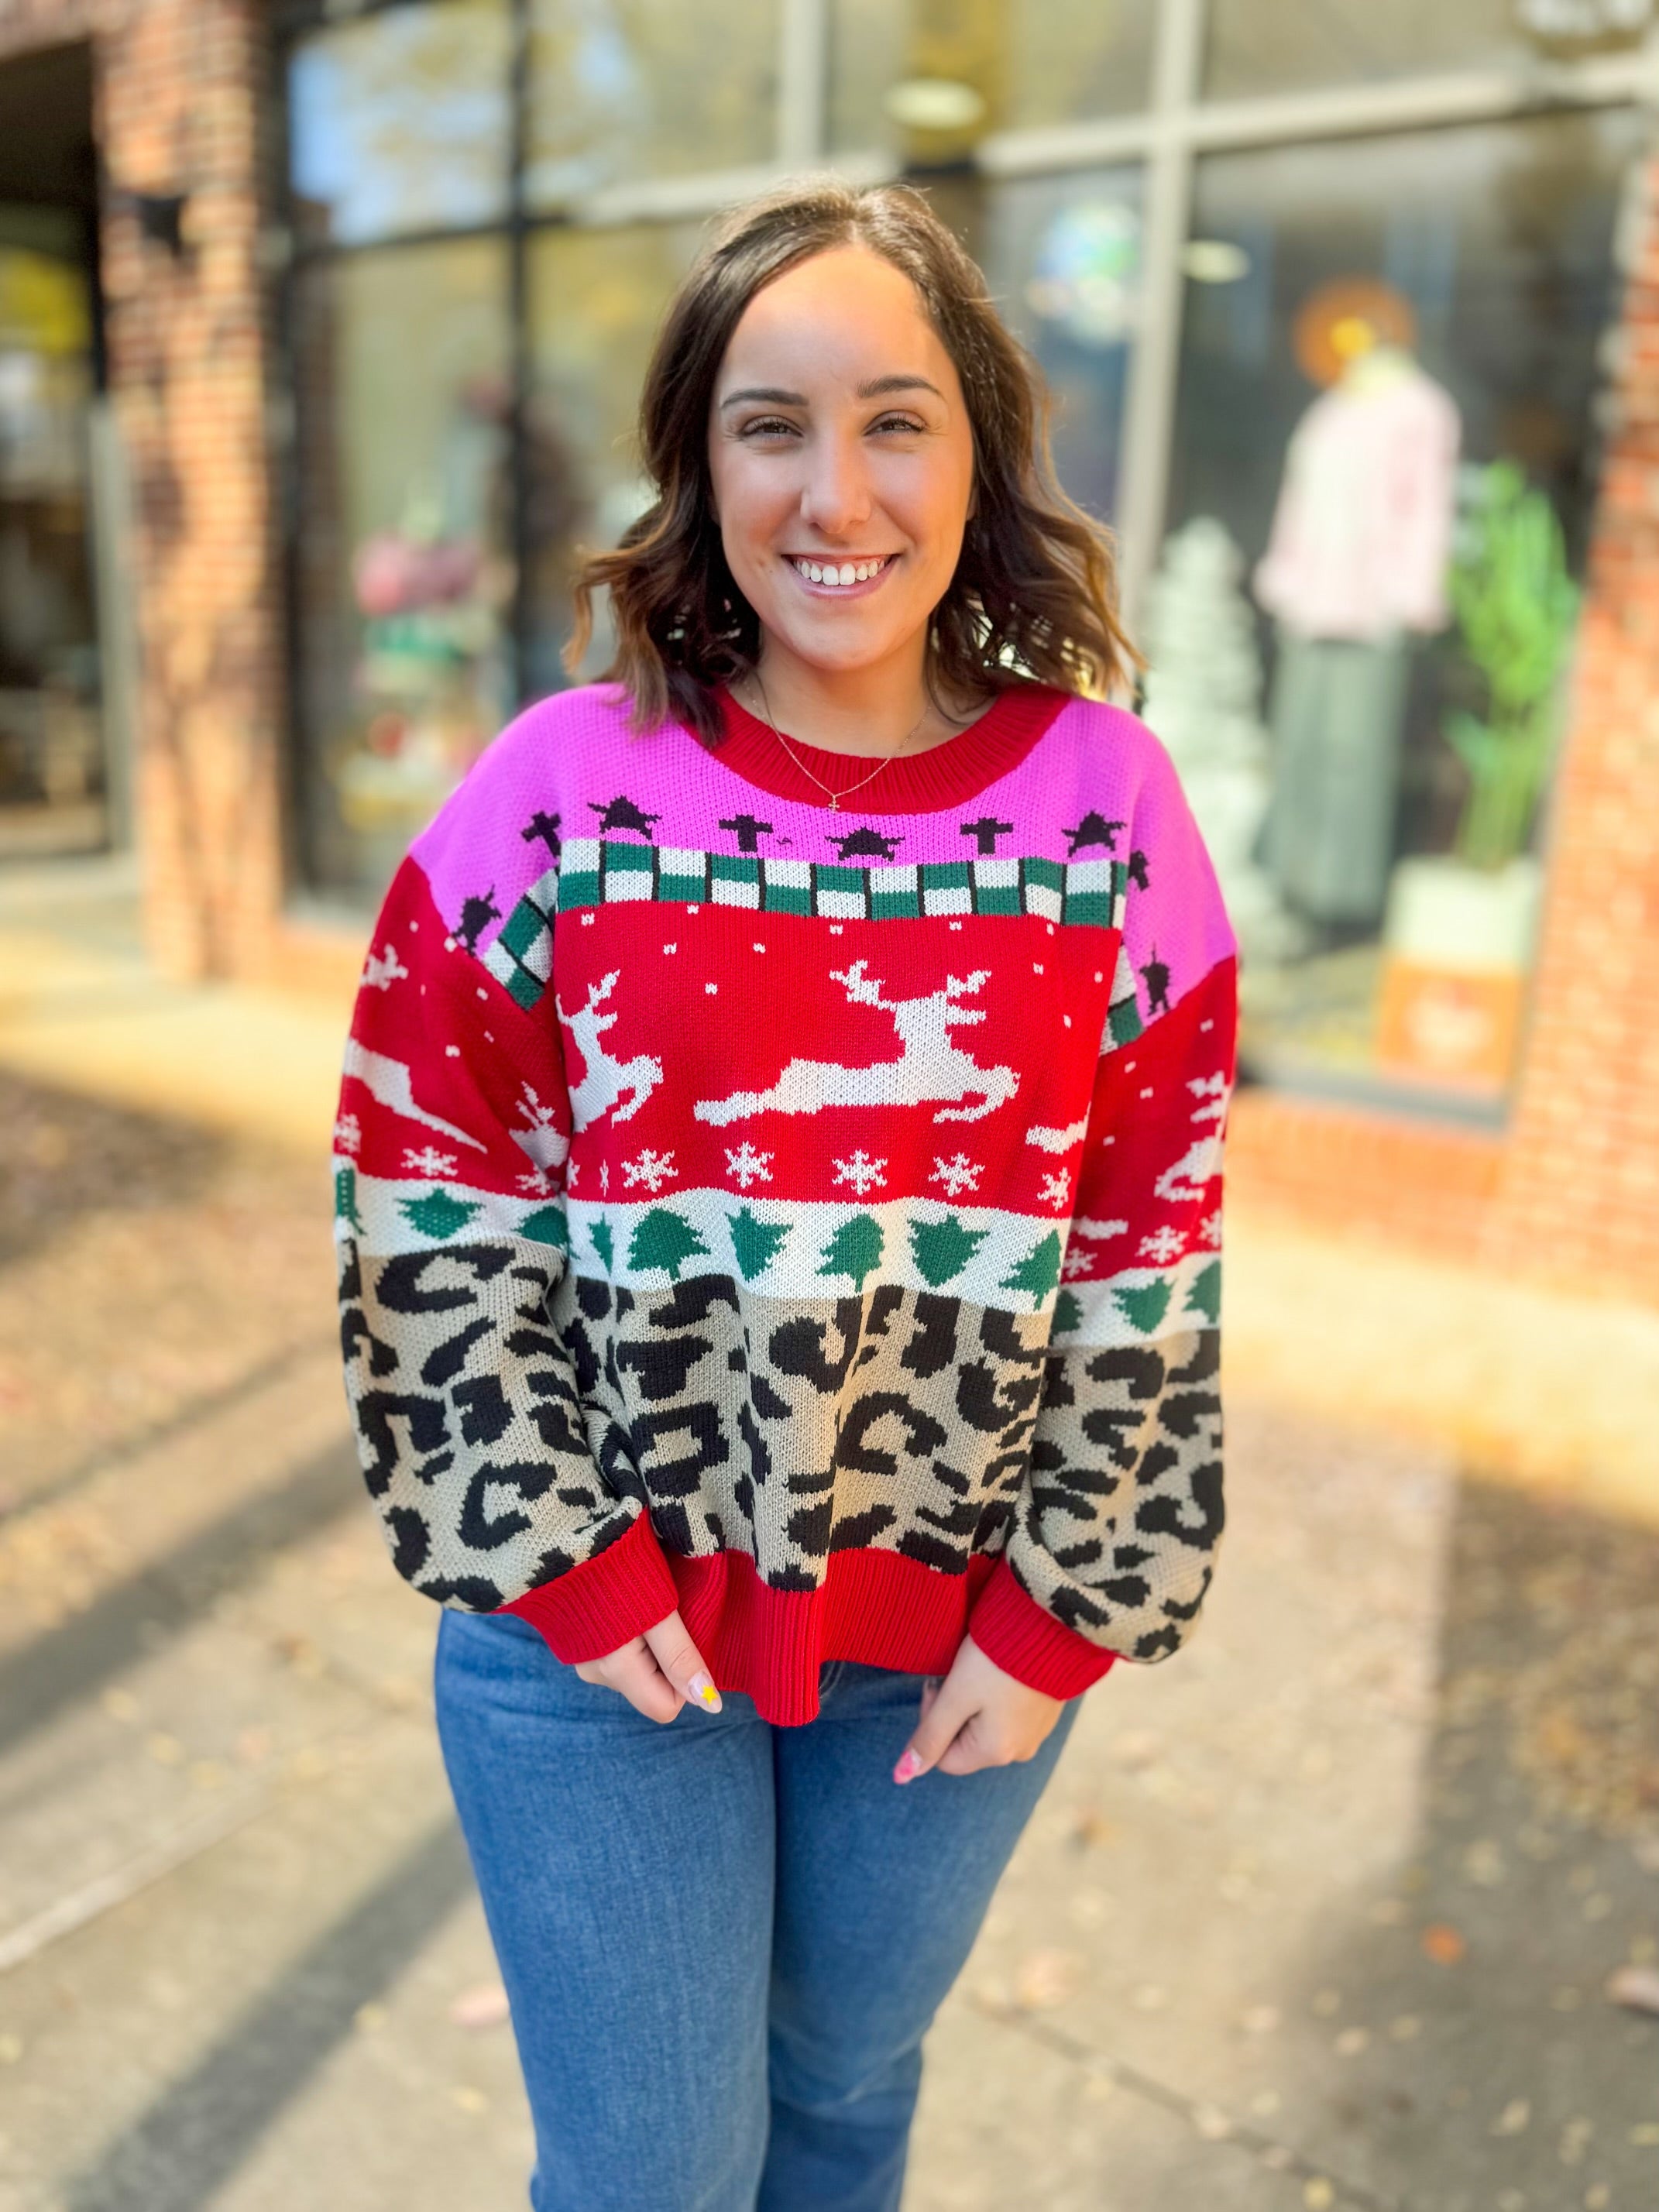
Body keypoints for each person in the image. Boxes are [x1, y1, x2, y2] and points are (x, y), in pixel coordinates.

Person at [333, 179, 1237, 2212]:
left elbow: (1148, 1232)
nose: (838, 489)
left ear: (981, 452)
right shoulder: (559, 788)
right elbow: (422, 1183)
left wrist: (1080, 1594)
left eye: (898, 418)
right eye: (773, 424)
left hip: (949, 1621)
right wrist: (550, 1548)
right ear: (700, 464)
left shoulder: (1109, 807)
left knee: (842, 2099)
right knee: (656, 2170)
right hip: (601, 1617)